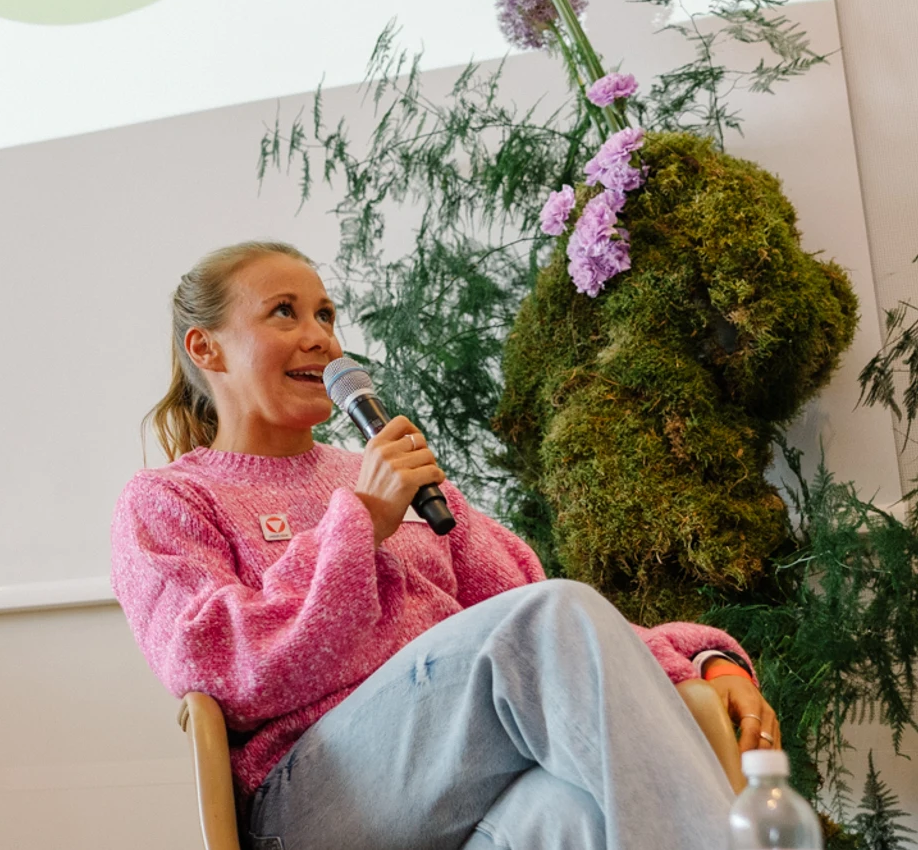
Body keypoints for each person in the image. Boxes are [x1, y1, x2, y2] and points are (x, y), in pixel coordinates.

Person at [113, 240, 777, 849]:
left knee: (571, 813)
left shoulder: (391, 473)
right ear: (206, 348)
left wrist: (704, 659)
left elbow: (546, 625)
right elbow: (216, 665)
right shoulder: (170, 499)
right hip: (311, 803)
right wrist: (360, 523)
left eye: (326, 315)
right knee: (550, 620)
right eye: (284, 313)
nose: (320, 338)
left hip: (454, 782)